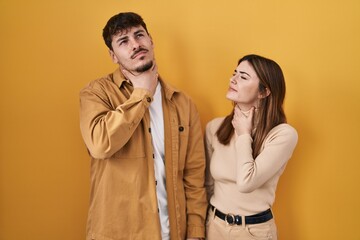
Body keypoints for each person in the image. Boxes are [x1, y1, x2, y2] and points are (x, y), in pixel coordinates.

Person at [79, 12, 207, 240]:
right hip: (117, 233)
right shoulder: (96, 93)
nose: (135, 45)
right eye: (123, 41)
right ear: (113, 56)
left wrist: (196, 232)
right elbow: (100, 144)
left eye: (139, 35)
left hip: (172, 232)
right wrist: (142, 95)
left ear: (151, 40)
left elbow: (194, 175)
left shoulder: (183, 103)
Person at [204, 54, 298, 240]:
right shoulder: (214, 127)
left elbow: (246, 182)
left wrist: (244, 134)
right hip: (213, 226)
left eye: (243, 77)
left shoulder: (283, 134)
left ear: (264, 92)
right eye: (235, 73)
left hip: (253, 232)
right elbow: (207, 185)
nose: (233, 79)